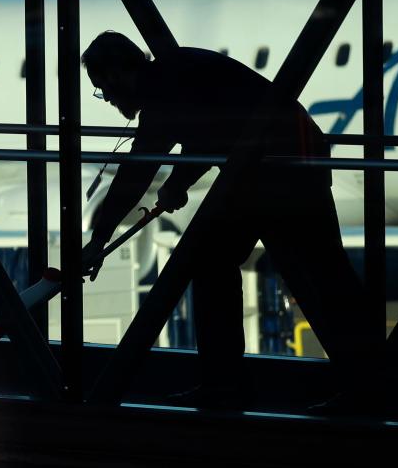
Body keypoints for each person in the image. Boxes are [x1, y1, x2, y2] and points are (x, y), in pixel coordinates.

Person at [79, 31, 376, 409]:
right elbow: (210, 134)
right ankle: (363, 383)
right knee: (320, 271)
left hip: (274, 167)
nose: (107, 100)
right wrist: (175, 183)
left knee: (241, 264)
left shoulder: (162, 94)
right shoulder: (174, 75)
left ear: (118, 74)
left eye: (103, 89)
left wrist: (101, 237)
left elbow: (141, 169)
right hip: (284, 159)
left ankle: (227, 383)